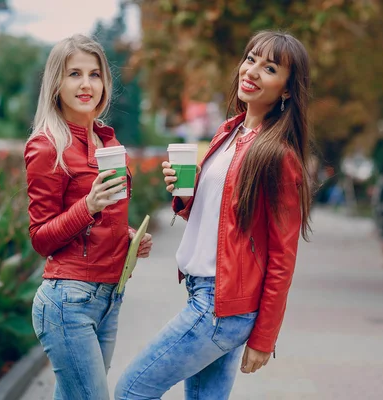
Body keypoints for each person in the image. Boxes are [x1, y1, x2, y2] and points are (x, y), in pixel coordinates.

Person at [115, 30, 312, 400]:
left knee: (133, 389)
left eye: (269, 68)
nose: (251, 71)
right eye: (250, 59)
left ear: (287, 90)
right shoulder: (228, 132)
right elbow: (223, 221)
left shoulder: (278, 157)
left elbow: (283, 257)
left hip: (221, 306)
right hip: (204, 295)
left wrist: (264, 337)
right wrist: (183, 193)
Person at [24, 34, 152, 400]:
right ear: (56, 84)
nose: (86, 84)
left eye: (94, 74)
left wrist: (128, 235)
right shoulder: (47, 145)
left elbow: (104, 221)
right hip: (68, 301)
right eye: (74, 74)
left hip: (110, 297)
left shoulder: (109, 143)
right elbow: (41, 238)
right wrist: (88, 207)